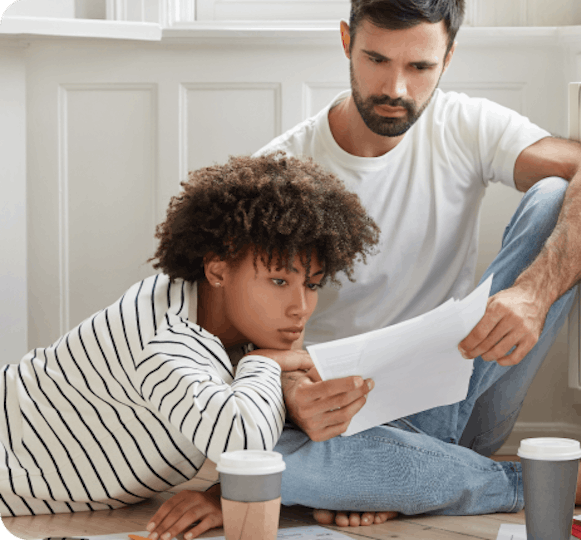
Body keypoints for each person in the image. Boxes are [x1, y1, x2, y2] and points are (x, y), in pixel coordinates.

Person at [147, 0, 581, 537]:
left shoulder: (465, 125)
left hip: (462, 390)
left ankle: (402, 481)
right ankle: (533, 483)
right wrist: (289, 392)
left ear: (448, 57)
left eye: (419, 66)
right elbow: (224, 337)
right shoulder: (284, 172)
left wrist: (532, 294)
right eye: (376, 60)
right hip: (338, 421)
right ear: (346, 42)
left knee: (559, 194)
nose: (396, 89)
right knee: (267, 452)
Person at [0, 154, 379, 519]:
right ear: (217, 271)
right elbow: (245, 449)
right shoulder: (162, 339)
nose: (301, 307)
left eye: (311, 284)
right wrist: (264, 363)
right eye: (279, 281)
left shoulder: (220, 311)